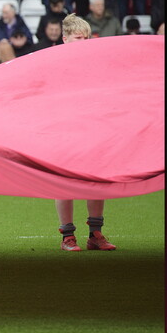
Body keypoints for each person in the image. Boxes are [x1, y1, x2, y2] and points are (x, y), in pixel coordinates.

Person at [55, 15, 117, 253]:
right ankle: (67, 237)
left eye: (87, 38)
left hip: (92, 127)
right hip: (63, 128)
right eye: (78, 38)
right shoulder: (51, 63)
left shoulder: (96, 64)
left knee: (96, 178)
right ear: (65, 39)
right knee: (62, 181)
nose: (83, 42)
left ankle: (95, 234)